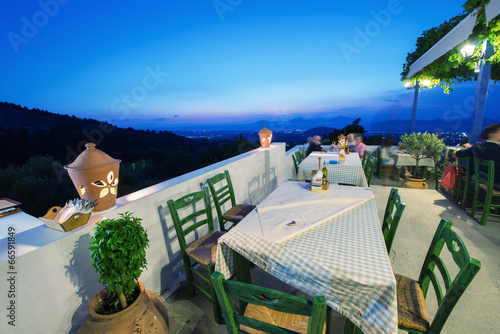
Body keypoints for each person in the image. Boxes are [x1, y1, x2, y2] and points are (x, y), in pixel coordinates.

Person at [456, 123, 500, 190]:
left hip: (481, 177)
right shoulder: (497, 149)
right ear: (493, 135)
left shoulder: (477, 147)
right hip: (497, 183)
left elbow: (459, 153)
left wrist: (469, 147)